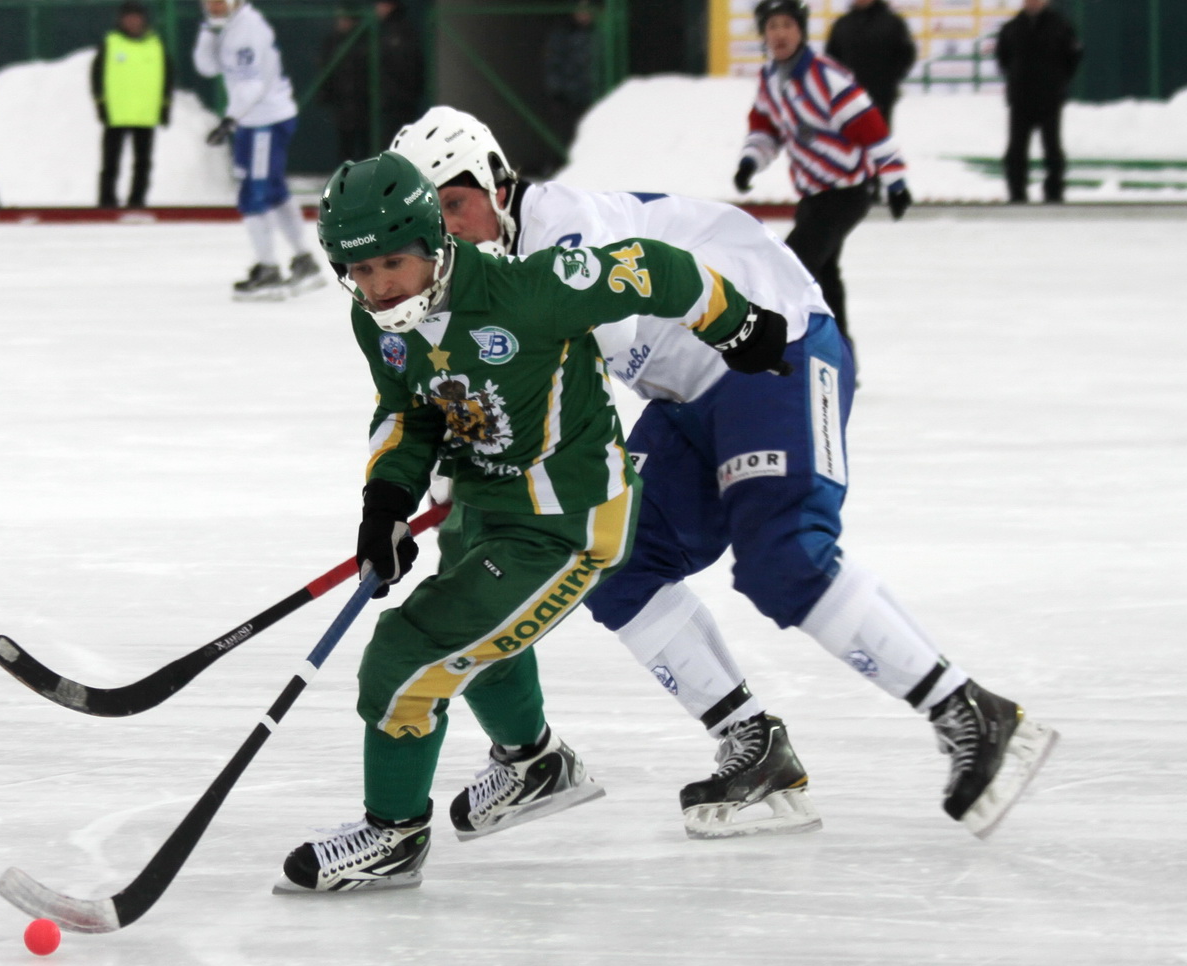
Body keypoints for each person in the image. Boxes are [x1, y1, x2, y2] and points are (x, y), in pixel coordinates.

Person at [391, 106, 1058, 841]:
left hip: (774, 350)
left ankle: (969, 710)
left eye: (457, 203)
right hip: (686, 397)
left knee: (785, 557)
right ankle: (753, 741)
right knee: (613, 562)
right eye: (432, 219)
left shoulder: (562, 230)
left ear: (497, 182)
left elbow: (576, 362)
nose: (449, 229)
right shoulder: (488, 273)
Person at [277, 151, 791, 893]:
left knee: (404, 656)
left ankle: (394, 835)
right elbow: (408, 409)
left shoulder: (529, 290)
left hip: (567, 526)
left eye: (393, 262)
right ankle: (535, 764)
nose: (380, 285)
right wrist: (385, 503)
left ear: (433, 243)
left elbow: (657, 267)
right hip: (482, 507)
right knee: (474, 636)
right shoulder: (377, 322)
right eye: (360, 270)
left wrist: (738, 327)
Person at [734, 0, 911, 345]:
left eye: (787, 25)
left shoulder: (827, 76)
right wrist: (750, 162)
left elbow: (871, 128)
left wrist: (895, 182)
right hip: (813, 195)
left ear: (801, 31)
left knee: (790, 267)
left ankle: (776, 349)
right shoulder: (770, 79)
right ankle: (838, 354)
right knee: (824, 277)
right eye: (772, 27)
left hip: (846, 192)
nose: (780, 34)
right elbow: (766, 129)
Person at [194, 0, 325, 299]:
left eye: (218, 1)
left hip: (263, 122)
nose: (213, 7)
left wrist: (229, 119)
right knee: (274, 191)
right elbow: (206, 66)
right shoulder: (228, 26)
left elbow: (253, 85)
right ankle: (304, 260)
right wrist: (208, 30)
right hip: (252, 120)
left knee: (253, 194)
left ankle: (269, 270)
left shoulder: (249, 29)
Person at [996, 0, 1082, 204]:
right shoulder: (1012, 28)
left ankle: (1054, 192)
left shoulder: (1060, 27)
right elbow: (1003, 58)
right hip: (1021, 99)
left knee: (1051, 147)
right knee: (1017, 148)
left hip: (1049, 98)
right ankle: (1017, 192)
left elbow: (1073, 57)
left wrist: (1057, 81)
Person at [91, 2, 172, 209]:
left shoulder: (156, 45)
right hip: (116, 114)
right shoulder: (111, 43)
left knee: (143, 163)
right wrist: (101, 104)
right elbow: (96, 75)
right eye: (128, 17)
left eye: (136, 17)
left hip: (145, 114)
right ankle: (107, 201)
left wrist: (165, 107)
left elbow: (167, 77)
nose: (133, 22)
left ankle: (137, 200)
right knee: (110, 162)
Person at [825, 0, 917, 126]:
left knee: (878, 137)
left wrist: (889, 81)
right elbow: (831, 60)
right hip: (848, 99)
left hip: (881, 98)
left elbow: (906, 54)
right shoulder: (842, 24)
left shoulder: (892, 23)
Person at [541, 1, 601, 176]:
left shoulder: (600, 34)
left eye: (589, 9)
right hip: (567, 95)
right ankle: (559, 168)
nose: (585, 14)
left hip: (593, 95)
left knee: (592, 133)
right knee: (565, 134)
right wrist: (557, 90)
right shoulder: (563, 35)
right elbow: (553, 63)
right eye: (581, 9)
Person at [318, 9, 371, 164]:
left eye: (346, 19)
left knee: (366, 146)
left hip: (363, 104)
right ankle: (346, 175)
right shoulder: (332, 42)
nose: (341, 23)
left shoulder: (366, 41)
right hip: (342, 104)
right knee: (345, 146)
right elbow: (325, 69)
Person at [373, 1, 425, 142]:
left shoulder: (396, 32)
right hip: (394, 100)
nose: (376, 8)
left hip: (396, 101)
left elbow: (405, 67)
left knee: (394, 141)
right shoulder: (387, 30)